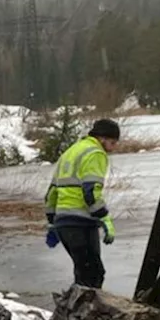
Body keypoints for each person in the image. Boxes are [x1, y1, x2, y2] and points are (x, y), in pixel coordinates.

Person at [44, 119, 120, 289]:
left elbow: (51, 194)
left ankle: (72, 310)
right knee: (93, 274)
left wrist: (52, 221)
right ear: (102, 139)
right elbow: (91, 191)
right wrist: (104, 218)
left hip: (64, 223)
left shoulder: (71, 152)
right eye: (113, 142)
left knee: (83, 272)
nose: (114, 148)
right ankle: (85, 314)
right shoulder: (96, 153)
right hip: (81, 223)